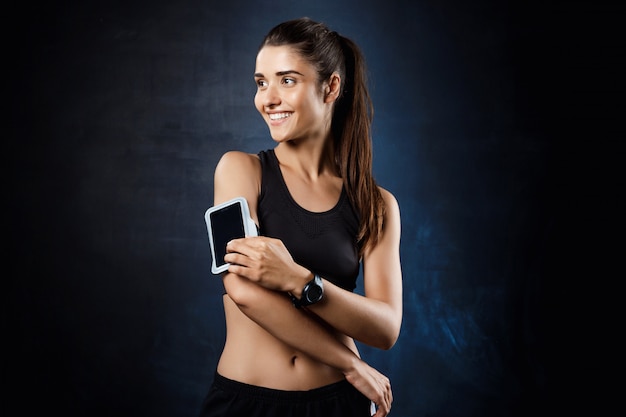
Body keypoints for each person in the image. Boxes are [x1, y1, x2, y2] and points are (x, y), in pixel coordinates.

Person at [198, 17, 402, 417]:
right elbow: (243, 290)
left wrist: (299, 279)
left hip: (338, 404)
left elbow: (385, 327)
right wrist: (350, 363)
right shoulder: (239, 171)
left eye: (286, 80)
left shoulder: (376, 204)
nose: (267, 98)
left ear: (331, 87)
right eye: (261, 82)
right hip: (247, 402)